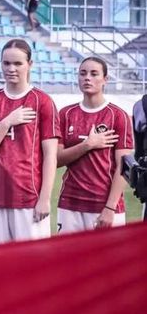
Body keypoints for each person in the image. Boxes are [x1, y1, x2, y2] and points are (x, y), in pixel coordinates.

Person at [0, 39, 59, 245]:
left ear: (30, 64)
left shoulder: (43, 101)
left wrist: (44, 199)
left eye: (18, 63)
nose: (11, 69)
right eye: (6, 63)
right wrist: (6, 123)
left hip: (29, 200)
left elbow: (50, 155)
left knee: (33, 269)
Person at [56, 57, 133, 232]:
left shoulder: (118, 116)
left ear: (105, 79)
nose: (87, 78)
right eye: (83, 73)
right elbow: (57, 160)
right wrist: (87, 145)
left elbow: (123, 167)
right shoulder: (65, 114)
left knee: (109, 260)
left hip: (104, 207)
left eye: (94, 74)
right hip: (70, 203)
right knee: (70, 260)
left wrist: (110, 208)